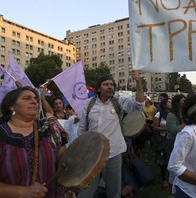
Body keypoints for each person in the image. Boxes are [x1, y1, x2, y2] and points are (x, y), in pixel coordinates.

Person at [77, 70, 144, 198]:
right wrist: (82, 151)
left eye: (111, 84)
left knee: (114, 192)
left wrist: (138, 82)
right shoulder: (89, 104)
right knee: (86, 191)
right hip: (92, 155)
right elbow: (82, 129)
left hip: (114, 153)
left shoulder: (118, 102)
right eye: (106, 84)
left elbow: (139, 103)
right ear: (98, 88)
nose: (110, 86)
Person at [0, 86, 69, 198]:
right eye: (27, 98)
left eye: (35, 99)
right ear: (11, 106)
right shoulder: (2, 134)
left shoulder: (50, 129)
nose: (34, 101)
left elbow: (64, 162)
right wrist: (23, 192)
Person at [166, 94, 186, 186]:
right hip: (172, 142)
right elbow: (173, 131)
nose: (185, 101)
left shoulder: (184, 113)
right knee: (174, 165)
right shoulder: (171, 115)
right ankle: (172, 186)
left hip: (183, 142)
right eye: (183, 100)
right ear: (177, 103)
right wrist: (185, 123)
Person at [152, 97, 172, 188]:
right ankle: (164, 179)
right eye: (169, 102)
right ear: (164, 104)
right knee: (164, 160)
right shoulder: (158, 114)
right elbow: (155, 127)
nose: (171, 103)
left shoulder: (174, 114)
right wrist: (166, 129)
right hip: (163, 139)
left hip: (172, 139)